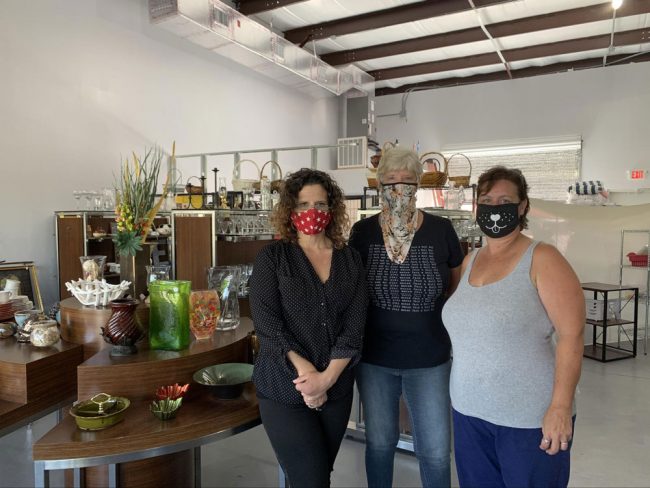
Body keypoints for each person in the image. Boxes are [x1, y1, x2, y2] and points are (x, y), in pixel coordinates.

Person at [442, 166, 585, 488]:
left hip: (528, 418)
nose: (495, 207)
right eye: (487, 200)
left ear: (522, 207)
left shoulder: (543, 259)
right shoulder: (470, 261)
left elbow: (572, 335)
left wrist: (560, 407)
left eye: (505, 199)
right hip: (469, 411)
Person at [349, 147, 464, 488]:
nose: (398, 187)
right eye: (390, 180)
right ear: (379, 184)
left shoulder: (442, 230)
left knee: (435, 450)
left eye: (407, 180)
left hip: (429, 358)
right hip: (374, 359)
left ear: (419, 184)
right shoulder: (363, 232)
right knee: (380, 444)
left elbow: (455, 287)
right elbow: (352, 288)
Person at [249, 168, 368, 487]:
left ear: (332, 209)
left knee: (314, 476)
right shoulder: (272, 258)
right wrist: (309, 379)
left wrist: (326, 379)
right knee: (312, 480)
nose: (312, 212)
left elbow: (354, 327)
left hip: (337, 389)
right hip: (283, 387)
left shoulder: (351, 260)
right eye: (303, 205)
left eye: (320, 204)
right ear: (290, 210)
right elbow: (267, 325)